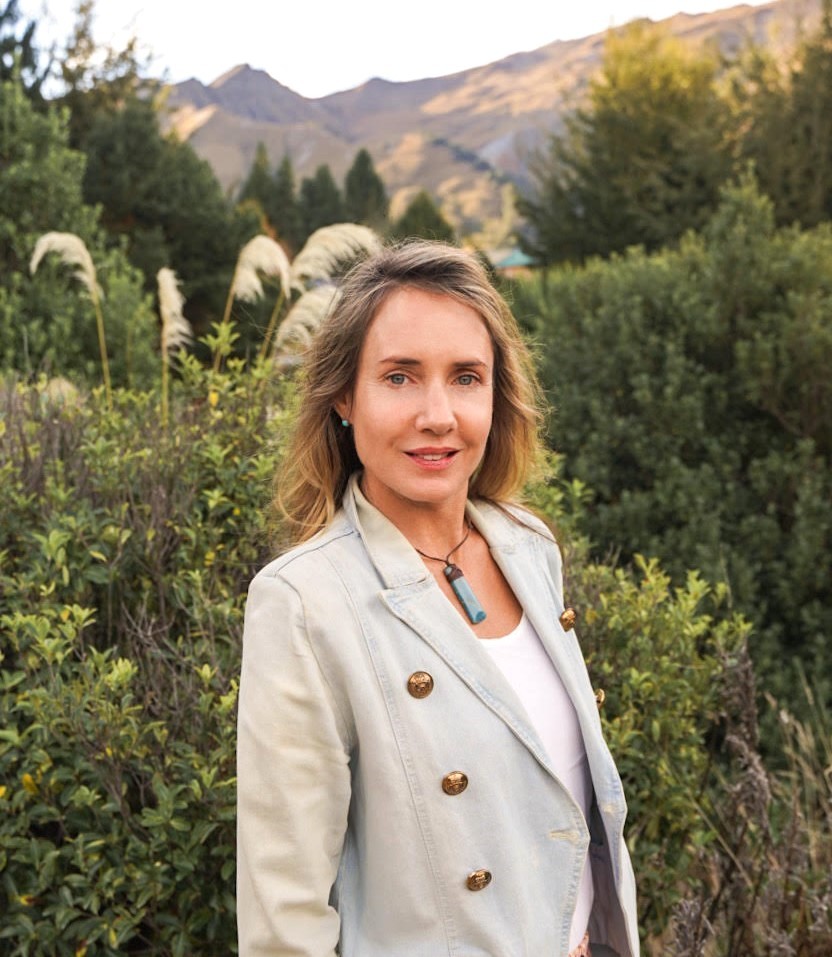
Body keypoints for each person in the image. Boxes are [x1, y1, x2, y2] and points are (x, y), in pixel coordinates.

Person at [236, 240, 639, 957]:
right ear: (343, 397)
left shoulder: (528, 547)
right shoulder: (303, 602)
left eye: (466, 378)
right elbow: (284, 918)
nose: (438, 414)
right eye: (399, 377)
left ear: (496, 396)